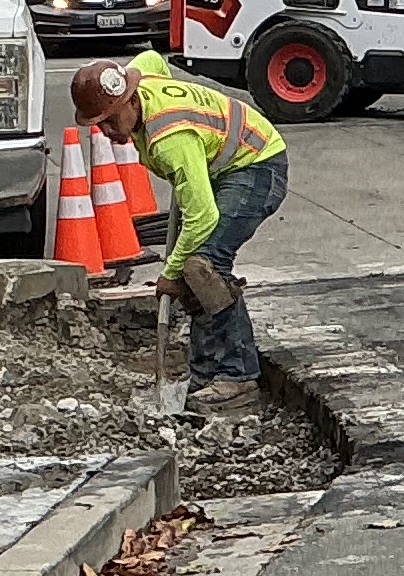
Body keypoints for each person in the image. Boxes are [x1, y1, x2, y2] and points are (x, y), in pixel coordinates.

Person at [72, 53, 289, 412]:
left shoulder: (169, 139)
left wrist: (169, 273)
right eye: (99, 125)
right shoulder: (139, 80)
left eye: (110, 121)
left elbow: (202, 216)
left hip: (258, 165)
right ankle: (204, 374)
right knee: (197, 272)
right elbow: (153, 59)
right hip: (231, 164)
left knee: (203, 267)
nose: (107, 133)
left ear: (129, 101)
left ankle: (237, 378)